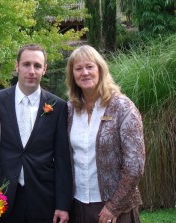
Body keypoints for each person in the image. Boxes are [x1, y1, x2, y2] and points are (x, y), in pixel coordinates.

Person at [0, 44, 73, 223]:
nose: (31, 71)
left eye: (37, 66)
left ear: (44, 69)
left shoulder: (58, 106)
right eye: (26, 64)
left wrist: (62, 204)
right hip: (4, 196)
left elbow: (62, 159)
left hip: (43, 196)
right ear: (17, 66)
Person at [65, 45, 145, 223]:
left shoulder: (122, 107)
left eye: (89, 66)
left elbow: (135, 165)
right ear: (72, 75)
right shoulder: (70, 110)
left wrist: (113, 206)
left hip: (115, 210)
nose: (84, 72)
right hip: (78, 205)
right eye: (78, 68)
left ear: (100, 69)